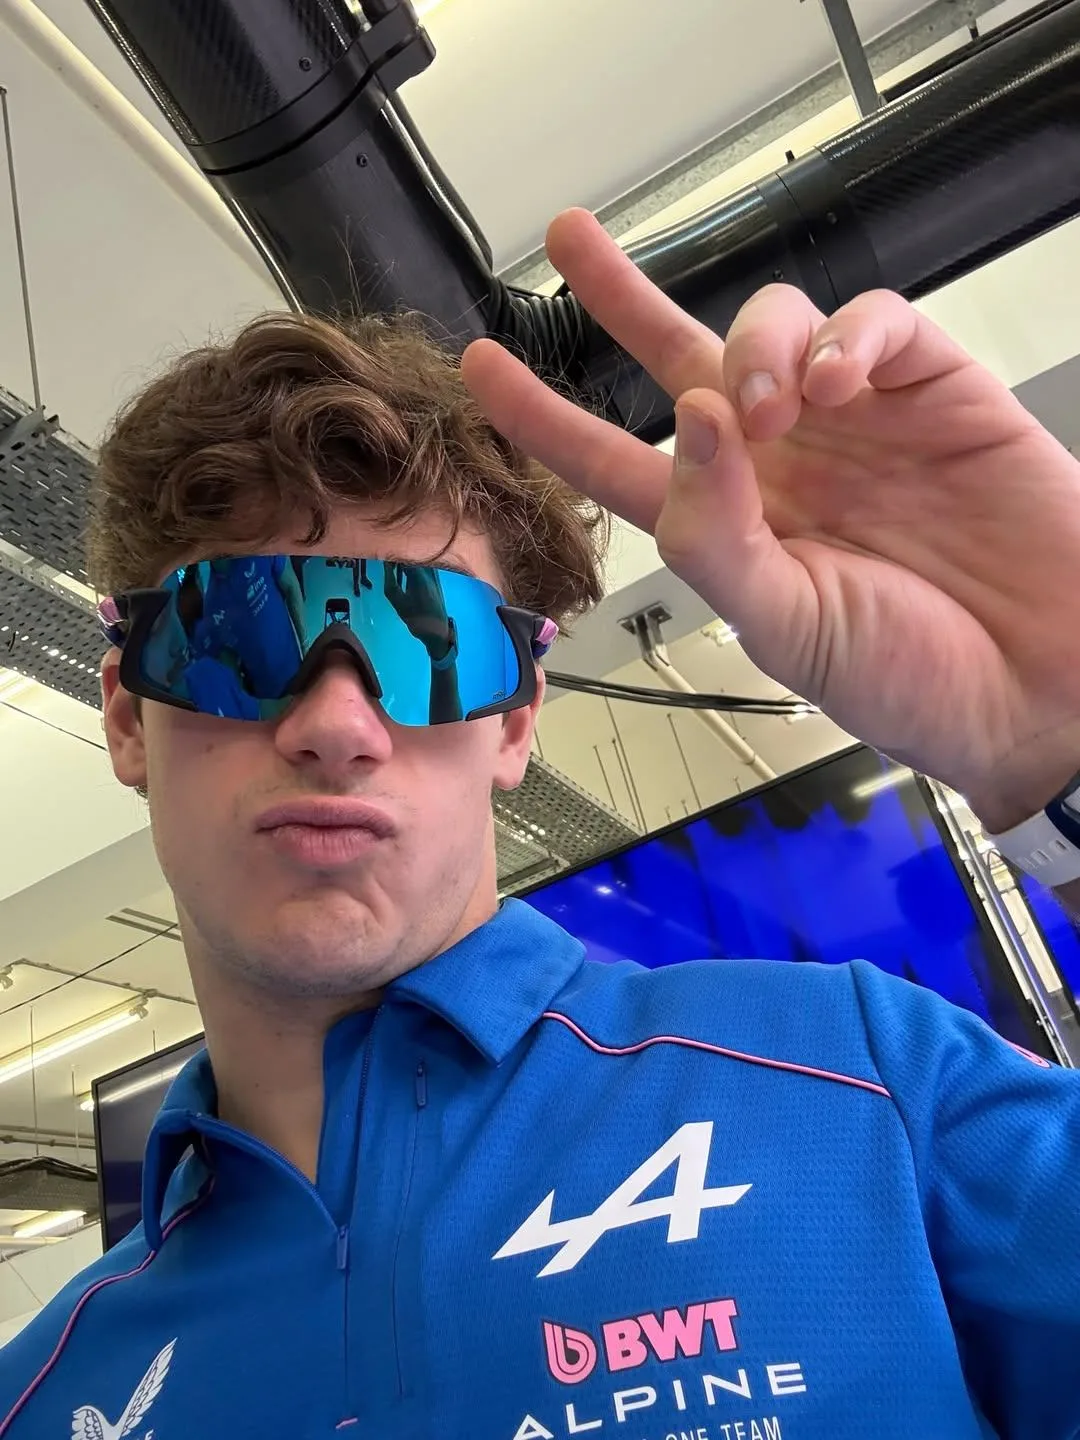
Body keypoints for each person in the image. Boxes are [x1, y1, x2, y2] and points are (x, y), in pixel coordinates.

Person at [0, 208, 1077, 1440]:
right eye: (240, 635)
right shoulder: (41, 1397)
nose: (338, 725)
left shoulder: (864, 1080)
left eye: (432, 647)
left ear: (513, 725)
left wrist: (1061, 745)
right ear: (128, 717)